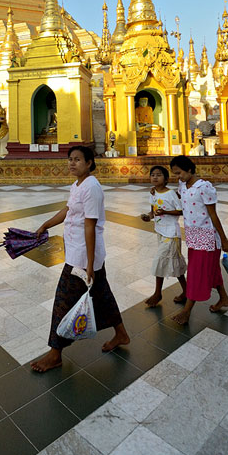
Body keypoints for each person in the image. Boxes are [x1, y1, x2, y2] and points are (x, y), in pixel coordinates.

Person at [31, 145, 130, 372]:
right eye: (70, 159)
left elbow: (90, 226)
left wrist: (88, 264)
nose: (72, 163)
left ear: (89, 163)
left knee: (62, 301)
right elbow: (68, 210)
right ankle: (121, 334)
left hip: (82, 258)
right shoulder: (77, 185)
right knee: (102, 295)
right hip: (81, 253)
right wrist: (46, 224)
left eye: (77, 159)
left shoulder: (92, 188)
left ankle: (55, 353)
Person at [169, 155, 228, 325]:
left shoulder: (204, 187)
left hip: (208, 237)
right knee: (210, 270)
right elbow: (182, 200)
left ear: (190, 169)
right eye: (175, 174)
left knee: (197, 273)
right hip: (193, 235)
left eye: (180, 173)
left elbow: (213, 215)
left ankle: (187, 311)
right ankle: (224, 298)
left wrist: (224, 240)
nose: (178, 177)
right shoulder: (183, 186)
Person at [141, 165, 187, 307]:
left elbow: (181, 211)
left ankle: (157, 293)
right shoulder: (153, 193)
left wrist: (166, 212)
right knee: (176, 263)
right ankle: (187, 291)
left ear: (166, 179)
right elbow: (153, 211)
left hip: (171, 234)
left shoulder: (171, 194)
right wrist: (148, 217)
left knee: (159, 261)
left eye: (158, 175)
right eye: (153, 175)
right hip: (161, 232)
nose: (155, 177)